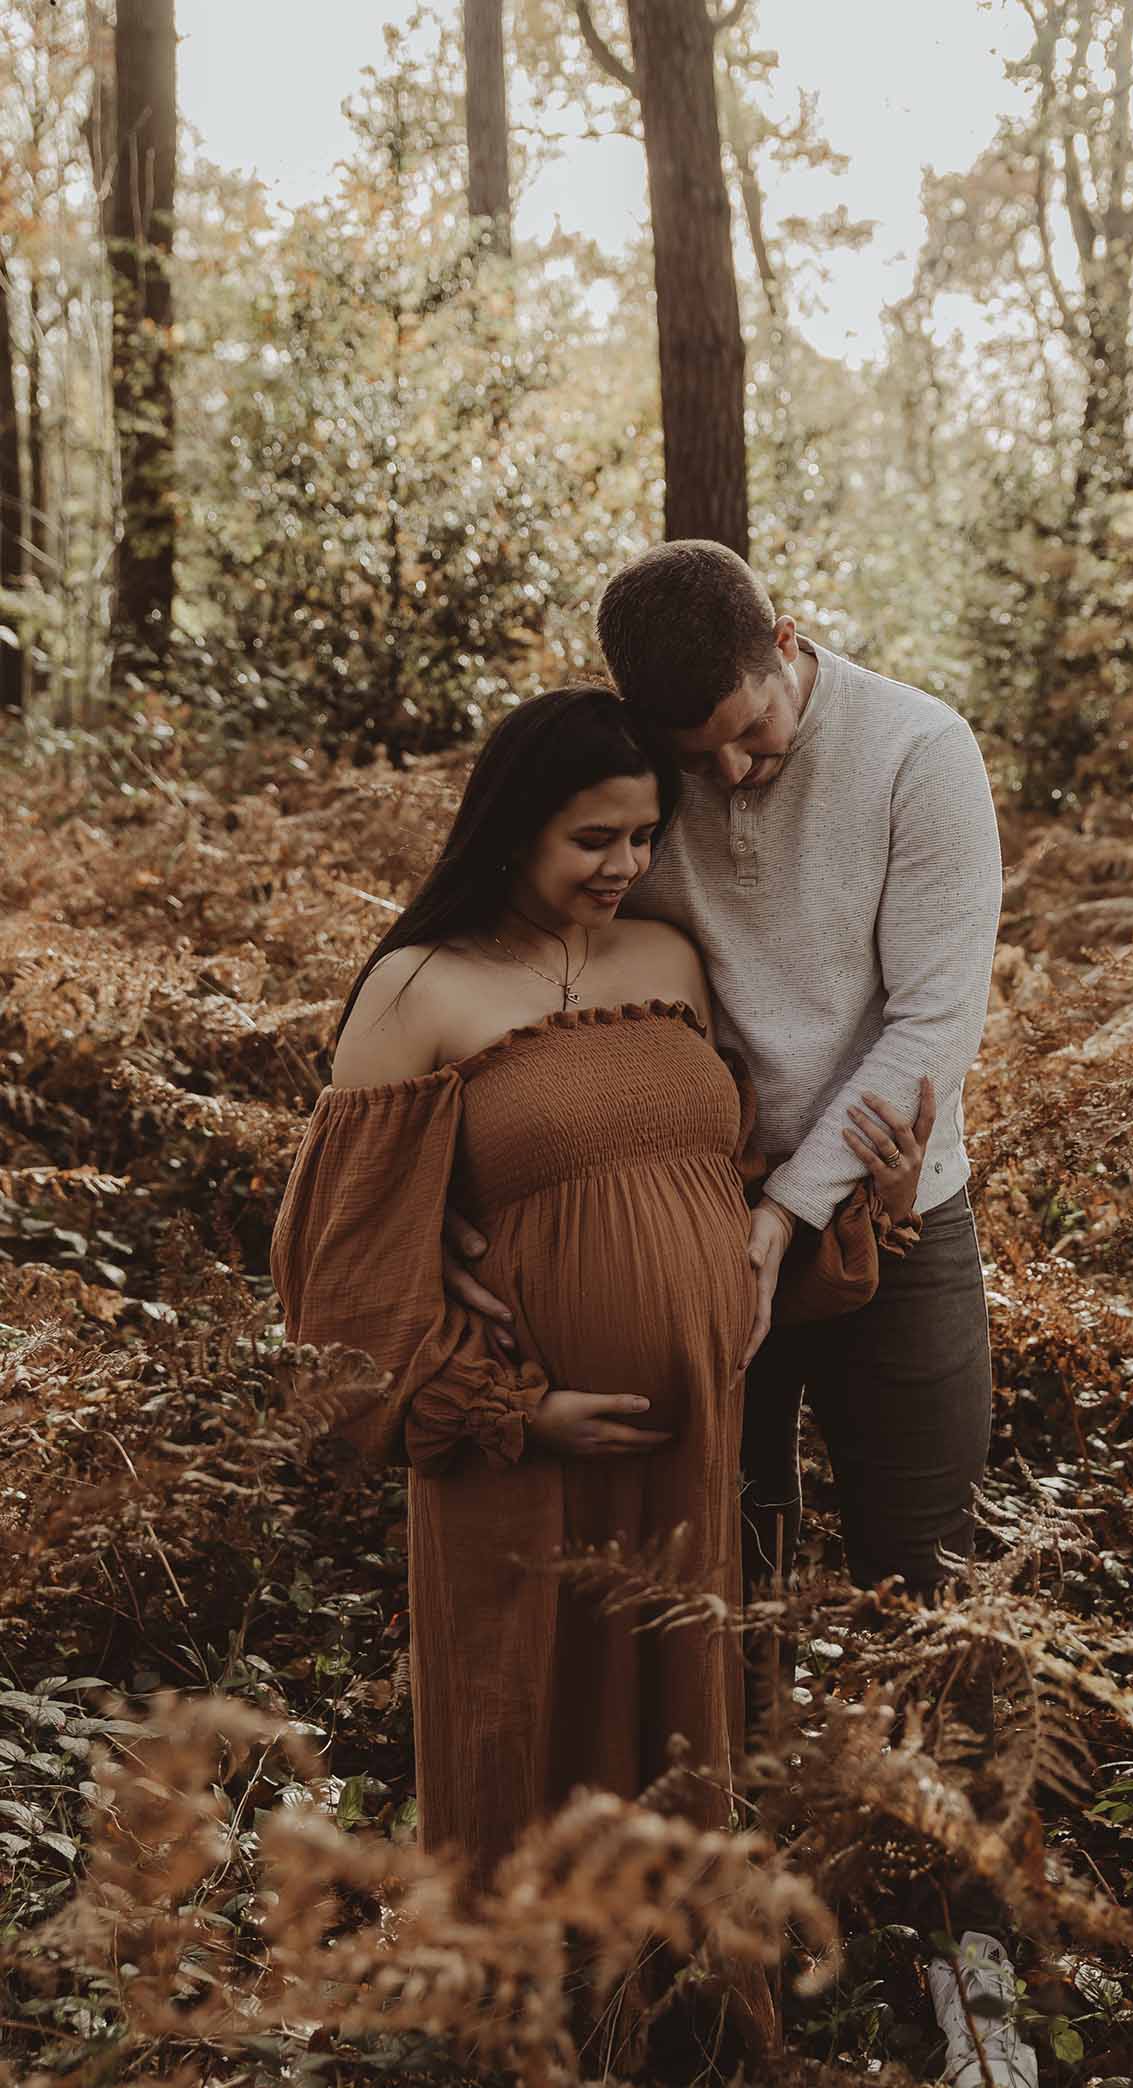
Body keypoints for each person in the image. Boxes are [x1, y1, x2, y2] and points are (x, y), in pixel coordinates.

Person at [268, 686, 933, 1913]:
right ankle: (525, 2004)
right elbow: (339, 1274)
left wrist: (859, 1207)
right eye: (594, 840)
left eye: (642, 836)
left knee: (681, 1724)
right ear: (513, 826)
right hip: (528, 1450)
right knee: (528, 1713)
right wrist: (515, 1410)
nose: (627, 865)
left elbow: (720, 1182)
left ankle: (672, 2004)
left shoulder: (668, 956)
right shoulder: (420, 989)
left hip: (691, 1441)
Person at [444, 546, 1004, 1633]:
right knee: (721, 1561)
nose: (736, 772)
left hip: (891, 1209)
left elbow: (935, 1021)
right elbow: (519, 965)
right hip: (694, 1214)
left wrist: (790, 1208)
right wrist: (461, 1195)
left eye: (754, 734)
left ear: (787, 643)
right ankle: (743, 1788)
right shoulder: (635, 775)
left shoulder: (919, 751)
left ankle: (934, 1792)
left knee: (929, 1559)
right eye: (703, 757)